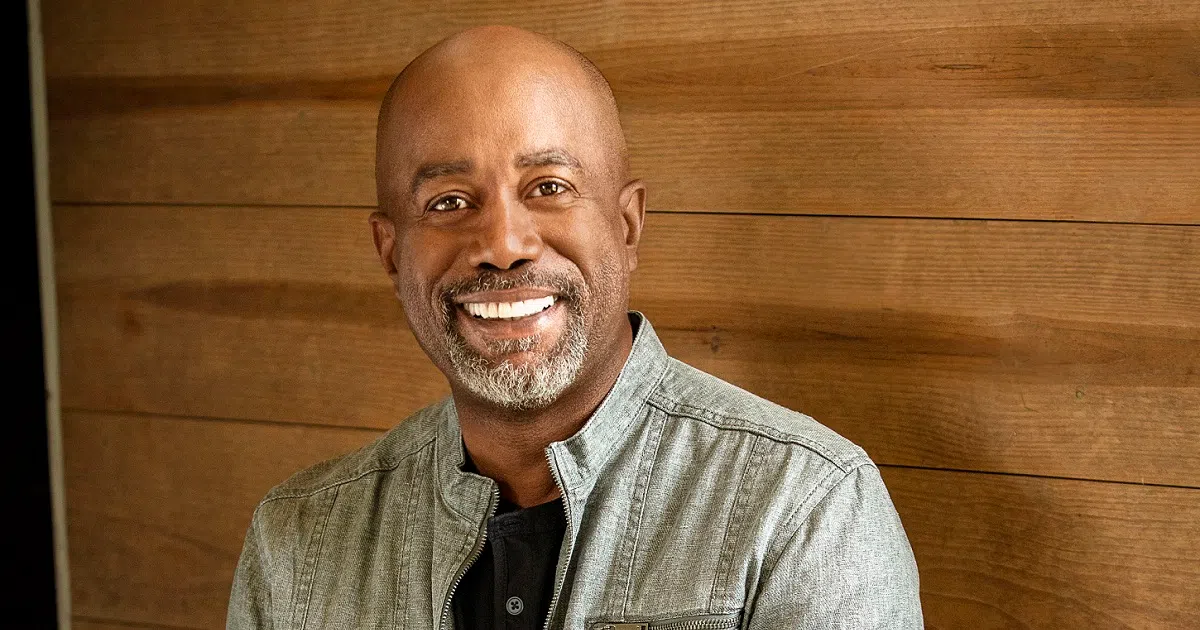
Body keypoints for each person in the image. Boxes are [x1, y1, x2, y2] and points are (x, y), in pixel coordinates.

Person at [227, 25, 922, 630]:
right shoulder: (299, 541)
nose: (503, 244)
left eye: (548, 188)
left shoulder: (801, 507)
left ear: (627, 225)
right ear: (390, 252)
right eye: (448, 201)